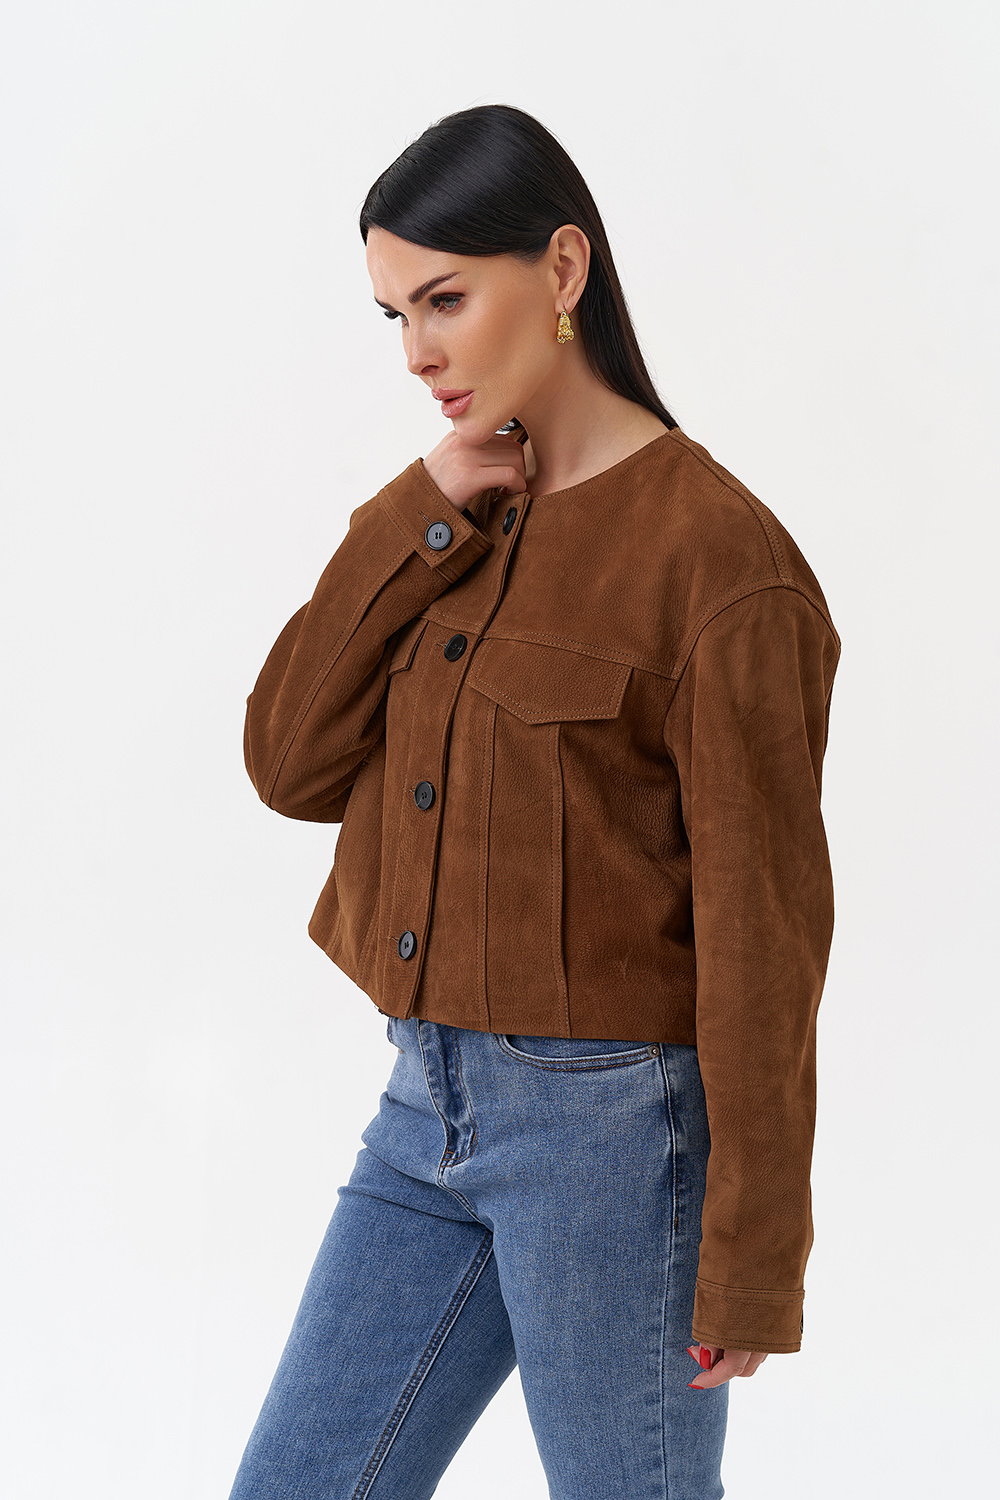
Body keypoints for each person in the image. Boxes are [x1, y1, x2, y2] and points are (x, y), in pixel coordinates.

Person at [229, 103, 841, 1500]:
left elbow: (766, 936)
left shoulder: (721, 562)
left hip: (612, 1138)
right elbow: (287, 763)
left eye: (444, 299)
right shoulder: (455, 518)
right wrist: (419, 510)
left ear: (563, 268)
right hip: (423, 1105)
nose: (418, 351)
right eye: (394, 314)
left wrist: (753, 1255)